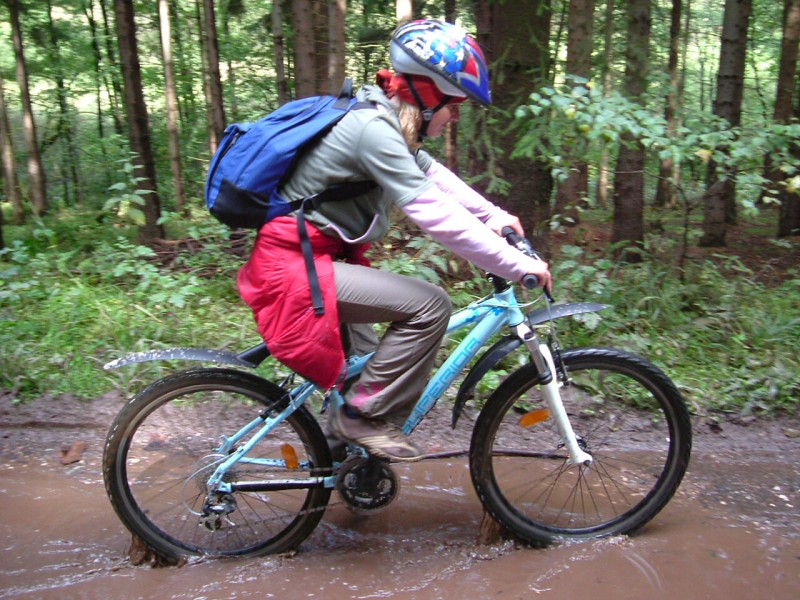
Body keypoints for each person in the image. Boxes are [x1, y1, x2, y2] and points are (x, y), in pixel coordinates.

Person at [237, 19, 551, 462]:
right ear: (428, 96)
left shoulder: (384, 120)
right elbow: (434, 213)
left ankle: (345, 463)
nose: (456, 116)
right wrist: (516, 265)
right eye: (454, 105)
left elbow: (433, 174)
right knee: (430, 306)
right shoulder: (373, 129)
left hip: (316, 261)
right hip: (294, 269)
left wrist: (494, 217)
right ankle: (359, 420)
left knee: (365, 367)